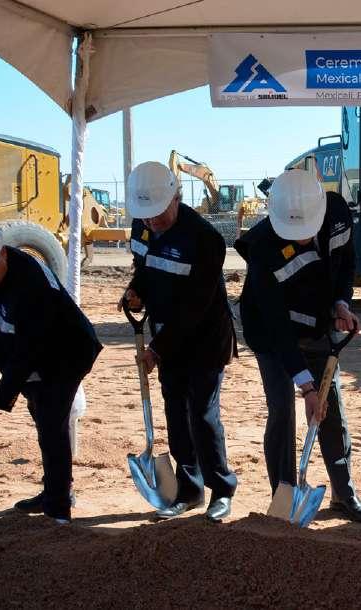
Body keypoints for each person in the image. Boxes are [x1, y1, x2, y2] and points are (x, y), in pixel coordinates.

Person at [234, 169, 361, 523]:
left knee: (331, 409)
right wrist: (306, 386)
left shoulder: (338, 214)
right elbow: (276, 325)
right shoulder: (262, 247)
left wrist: (341, 303)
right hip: (271, 333)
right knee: (283, 410)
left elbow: (346, 264)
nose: (300, 238)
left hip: (318, 325)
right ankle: (285, 495)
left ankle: (344, 493)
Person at [0, 220, 102, 524]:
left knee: (52, 424)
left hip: (66, 353)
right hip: (30, 354)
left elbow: (28, 352)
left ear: (2, 254)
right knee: (42, 418)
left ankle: (58, 509)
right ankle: (55, 489)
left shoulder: (31, 283)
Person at [121, 161, 239, 522]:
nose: (152, 221)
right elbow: (145, 268)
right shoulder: (143, 226)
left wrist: (157, 349)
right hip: (166, 337)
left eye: (159, 212)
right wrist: (136, 291)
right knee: (175, 413)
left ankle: (222, 489)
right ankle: (189, 490)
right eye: (146, 215)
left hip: (205, 339)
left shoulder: (205, 239)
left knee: (202, 414)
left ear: (176, 197)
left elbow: (195, 307)